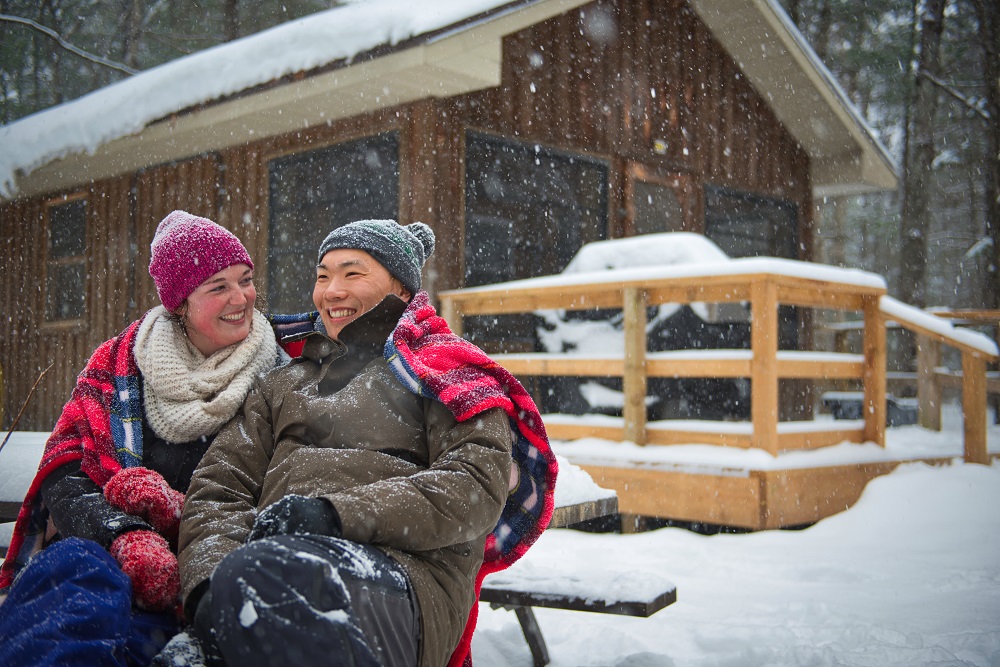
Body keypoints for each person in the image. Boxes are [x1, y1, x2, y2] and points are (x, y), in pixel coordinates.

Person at [172, 220, 557, 667]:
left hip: (402, 579)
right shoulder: (281, 384)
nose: (332, 290)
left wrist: (334, 516)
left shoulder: (447, 374)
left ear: (401, 287)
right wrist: (206, 591)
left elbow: (474, 487)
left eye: (352, 274)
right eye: (322, 276)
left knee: (276, 580)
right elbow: (219, 489)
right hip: (266, 570)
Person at [0, 210, 281, 666]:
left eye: (245, 279)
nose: (241, 297)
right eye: (218, 286)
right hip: (119, 568)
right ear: (180, 303)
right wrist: (123, 534)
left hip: (218, 567)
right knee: (73, 571)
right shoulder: (118, 365)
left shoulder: (281, 368)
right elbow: (66, 471)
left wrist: (178, 518)